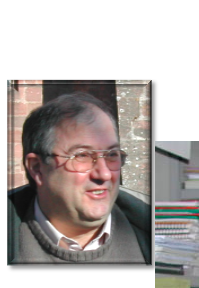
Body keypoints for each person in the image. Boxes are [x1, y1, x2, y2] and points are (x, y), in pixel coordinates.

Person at [8, 92, 151, 264]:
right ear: (37, 168)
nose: (104, 174)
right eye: (82, 155)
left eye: (112, 154)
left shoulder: (158, 237)